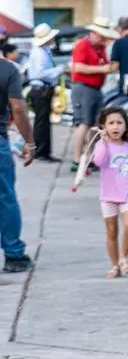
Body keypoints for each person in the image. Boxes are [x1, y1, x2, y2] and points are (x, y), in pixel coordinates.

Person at [89, 106, 128, 278]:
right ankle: (114, 265)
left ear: (125, 126)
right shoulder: (101, 145)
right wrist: (104, 144)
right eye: (111, 123)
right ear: (104, 127)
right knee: (112, 231)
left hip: (127, 195)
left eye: (120, 123)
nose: (115, 127)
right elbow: (98, 162)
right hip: (108, 197)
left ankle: (124, 257)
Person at [69, 19, 119, 172]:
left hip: (95, 89)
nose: (105, 39)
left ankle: (89, 157)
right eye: (102, 36)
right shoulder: (83, 45)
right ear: (94, 33)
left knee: (92, 125)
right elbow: (78, 67)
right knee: (84, 123)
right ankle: (77, 159)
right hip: (84, 88)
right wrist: (103, 69)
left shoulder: (99, 48)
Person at [1, 51, 35, 273]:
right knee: (5, 198)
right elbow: (18, 108)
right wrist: (29, 142)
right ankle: (14, 255)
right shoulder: (7, 69)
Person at [25, 23, 62, 163]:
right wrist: (58, 70)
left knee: (44, 122)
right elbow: (41, 73)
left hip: (44, 89)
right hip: (41, 90)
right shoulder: (39, 52)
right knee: (42, 123)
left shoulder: (44, 50)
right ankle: (41, 152)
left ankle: (45, 151)